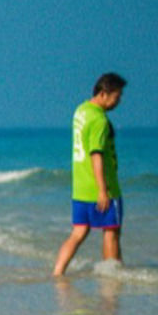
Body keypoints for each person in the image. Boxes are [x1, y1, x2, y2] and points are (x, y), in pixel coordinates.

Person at [52, 73, 127, 277]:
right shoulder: (99, 120)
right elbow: (96, 155)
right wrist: (103, 191)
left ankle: (57, 273)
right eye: (116, 96)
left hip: (80, 187)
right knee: (111, 232)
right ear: (103, 94)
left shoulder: (81, 111)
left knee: (78, 232)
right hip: (102, 188)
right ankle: (112, 278)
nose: (119, 101)